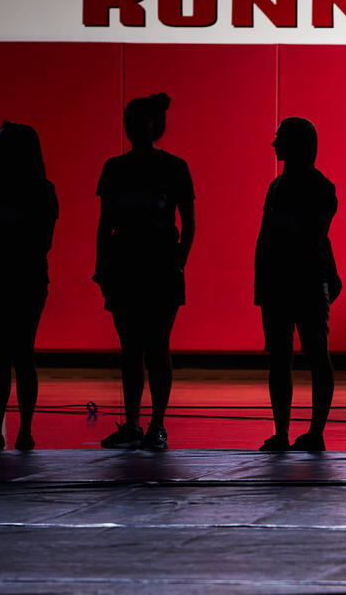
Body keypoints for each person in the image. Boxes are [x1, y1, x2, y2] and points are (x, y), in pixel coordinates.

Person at [94, 93, 194, 451]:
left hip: (155, 265)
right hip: (132, 266)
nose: (133, 127)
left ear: (154, 125)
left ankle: (152, 424)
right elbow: (104, 225)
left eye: (139, 120)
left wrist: (178, 260)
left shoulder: (170, 167)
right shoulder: (118, 167)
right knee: (135, 348)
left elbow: (190, 223)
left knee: (152, 347)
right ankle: (142, 425)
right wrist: (102, 266)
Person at [0, 122, 58, 451]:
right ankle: (23, 431)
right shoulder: (43, 190)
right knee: (20, 355)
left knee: (4, 357)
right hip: (23, 279)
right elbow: (42, 241)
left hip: (3, 278)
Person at [254, 117, 339, 451]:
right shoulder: (284, 185)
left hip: (300, 279)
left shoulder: (315, 187)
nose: (274, 144)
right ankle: (297, 431)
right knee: (291, 354)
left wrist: (265, 277)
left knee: (306, 354)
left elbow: (309, 240)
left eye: (280, 139)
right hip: (290, 280)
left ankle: (303, 431)